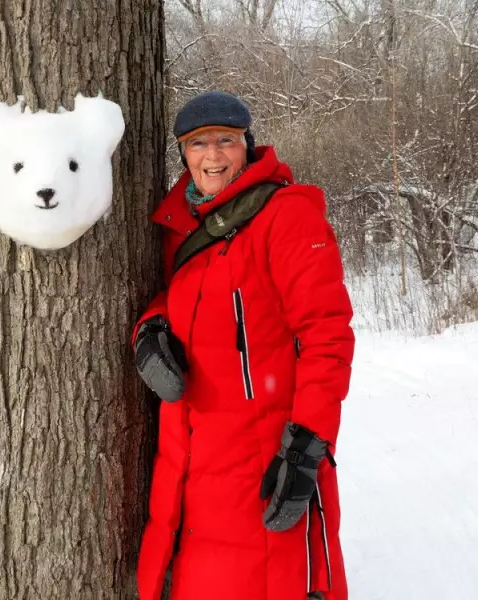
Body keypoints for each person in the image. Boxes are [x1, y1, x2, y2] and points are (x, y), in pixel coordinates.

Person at [133, 91, 355, 600]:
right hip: (190, 464)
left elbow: (328, 333)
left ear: (247, 146)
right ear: (184, 155)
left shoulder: (284, 216)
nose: (213, 156)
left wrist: (304, 449)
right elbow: (189, 294)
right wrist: (150, 327)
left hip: (262, 463)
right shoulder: (184, 226)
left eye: (226, 141)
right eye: (198, 144)